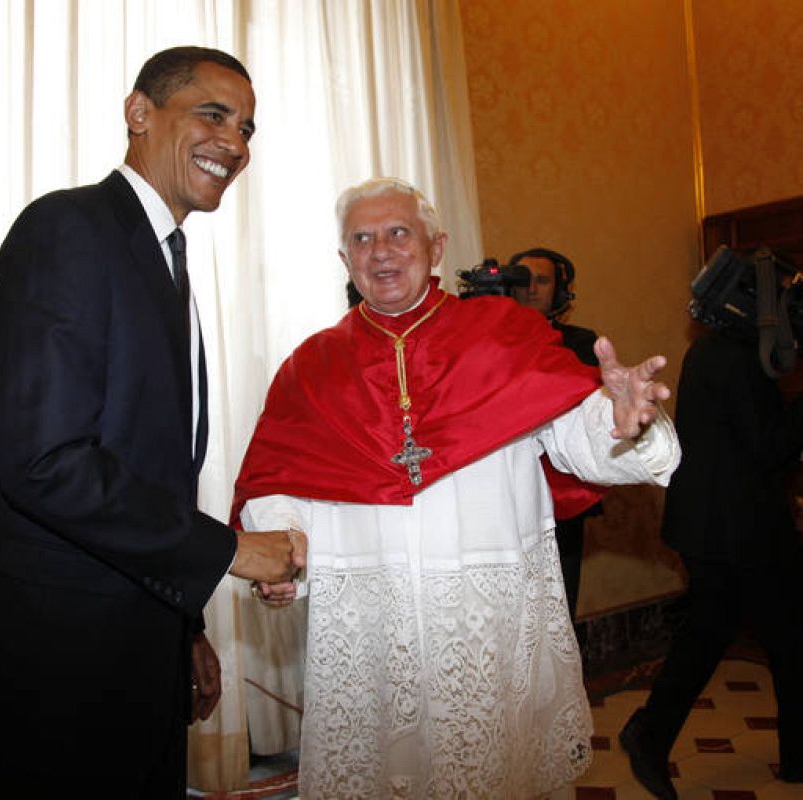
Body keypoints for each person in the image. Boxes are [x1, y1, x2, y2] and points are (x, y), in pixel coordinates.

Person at [0, 47, 305, 799]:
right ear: (139, 113)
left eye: (247, 127)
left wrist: (182, 632)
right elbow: (45, 462)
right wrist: (231, 550)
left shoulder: (167, 255)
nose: (234, 142)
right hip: (49, 674)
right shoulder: (66, 229)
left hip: (135, 656)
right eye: (212, 113)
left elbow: (142, 468)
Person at [232, 177, 681, 798]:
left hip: (485, 625)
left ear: (435, 247)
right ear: (344, 259)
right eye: (362, 238)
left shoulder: (503, 334)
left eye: (398, 233)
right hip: (372, 635)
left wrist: (621, 419)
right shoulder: (312, 365)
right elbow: (281, 485)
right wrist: (284, 556)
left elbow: (577, 437)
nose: (381, 250)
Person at [619, 289, 803, 798]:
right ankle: (649, 736)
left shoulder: (718, 348)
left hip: (721, 525)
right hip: (734, 528)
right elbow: (770, 448)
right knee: (740, 635)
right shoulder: (735, 355)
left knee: (756, 634)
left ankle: (653, 736)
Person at [510, 247, 602, 620]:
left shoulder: (580, 342)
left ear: (561, 291)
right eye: (523, 279)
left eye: (543, 280)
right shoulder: (488, 340)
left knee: (561, 604)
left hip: (561, 495)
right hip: (507, 492)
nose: (531, 288)